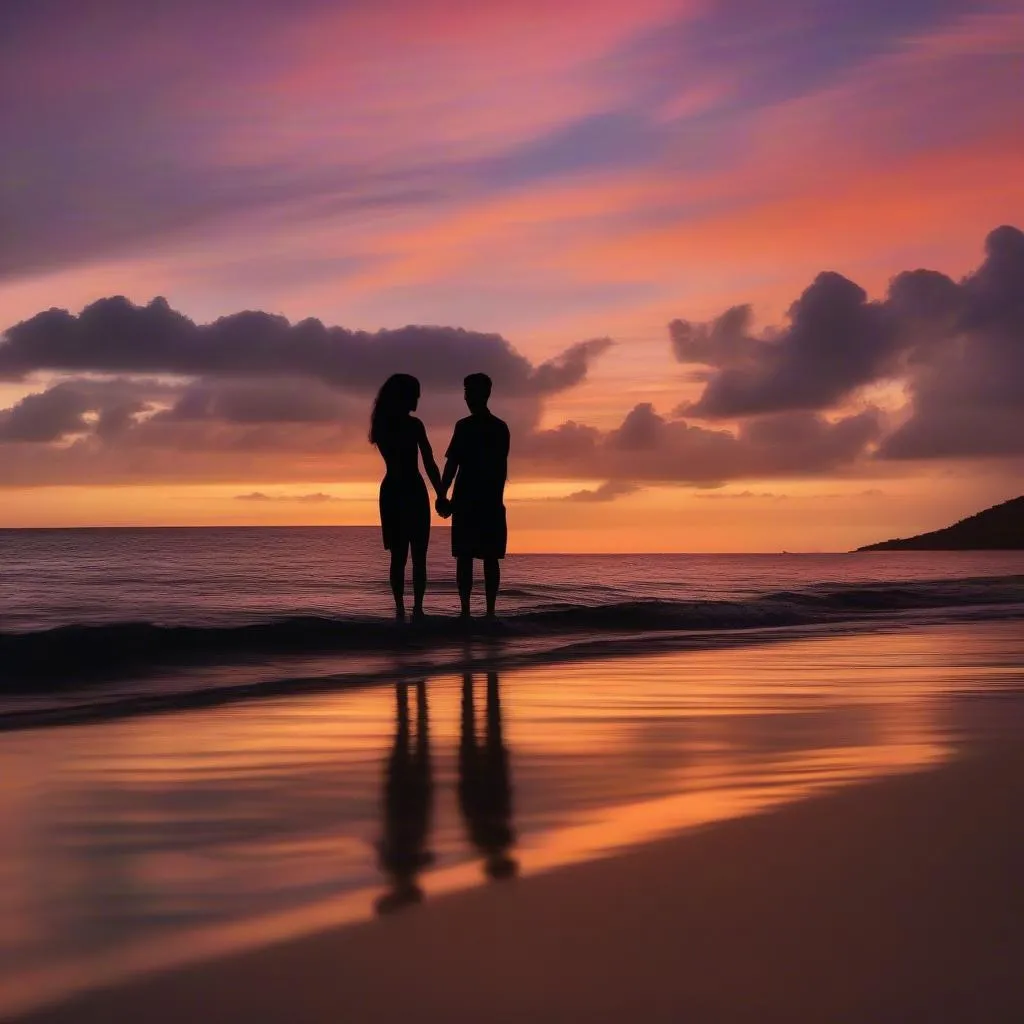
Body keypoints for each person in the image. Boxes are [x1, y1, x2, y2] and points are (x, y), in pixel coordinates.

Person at [370, 374, 444, 620]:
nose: (418, 400)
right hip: (409, 489)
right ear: (404, 396)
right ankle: (414, 609)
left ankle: (405, 609)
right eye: (415, 395)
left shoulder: (382, 425)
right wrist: (441, 493)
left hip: (396, 489)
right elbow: (429, 462)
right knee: (412, 556)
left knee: (401, 556)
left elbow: (430, 462)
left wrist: (441, 492)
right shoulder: (411, 426)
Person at [437, 373, 509, 618]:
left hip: (479, 502)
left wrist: (444, 496)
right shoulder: (487, 427)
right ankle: (471, 611)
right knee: (469, 558)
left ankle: (483, 612)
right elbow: (452, 465)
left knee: (482, 558)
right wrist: (442, 494)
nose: (467, 397)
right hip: (475, 502)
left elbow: (455, 465)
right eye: (465, 391)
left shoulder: (489, 428)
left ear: (485, 394)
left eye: (471, 391)